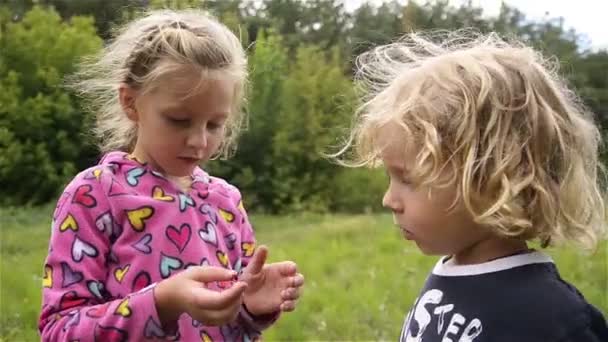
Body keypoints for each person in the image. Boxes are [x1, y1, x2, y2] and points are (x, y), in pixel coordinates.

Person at [39, 9, 304, 341]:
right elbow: (59, 330)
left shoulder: (225, 201)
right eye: (179, 120)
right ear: (131, 102)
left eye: (214, 124)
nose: (199, 141)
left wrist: (249, 307)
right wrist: (161, 303)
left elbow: (229, 328)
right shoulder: (96, 194)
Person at [335, 30, 608, 341]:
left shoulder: (552, 320)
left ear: (495, 177)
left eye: (407, 178)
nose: (388, 199)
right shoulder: (451, 273)